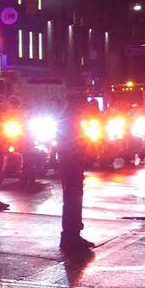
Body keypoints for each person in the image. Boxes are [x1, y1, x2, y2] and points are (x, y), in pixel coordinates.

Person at [56, 97, 95, 253]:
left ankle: (73, 235)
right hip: (70, 164)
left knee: (74, 200)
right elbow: (72, 144)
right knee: (73, 200)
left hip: (72, 163)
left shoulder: (72, 119)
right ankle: (70, 237)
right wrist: (82, 149)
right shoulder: (70, 121)